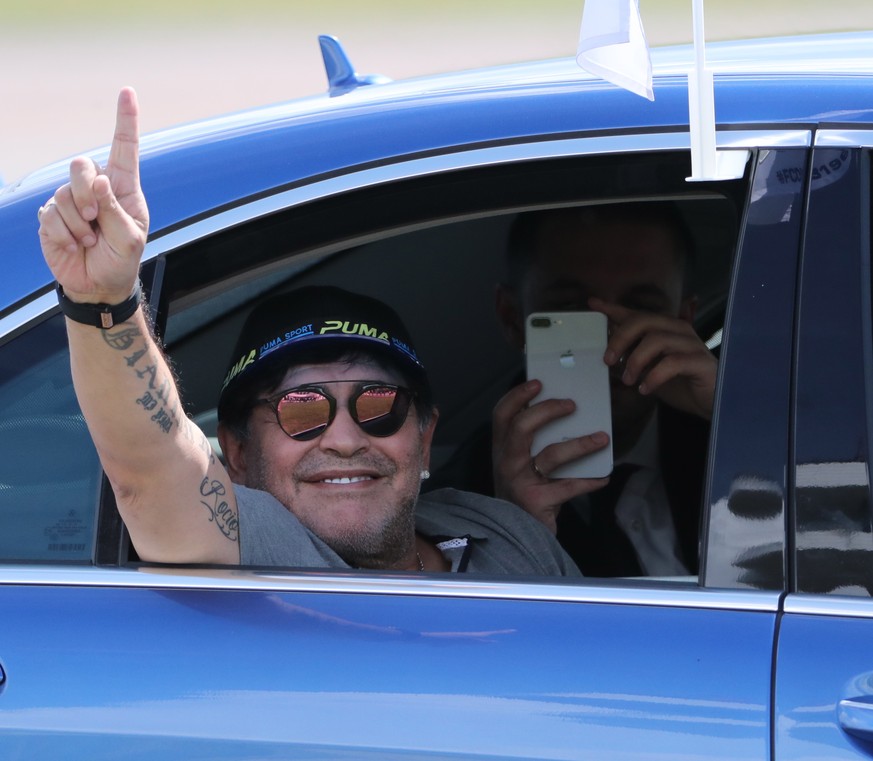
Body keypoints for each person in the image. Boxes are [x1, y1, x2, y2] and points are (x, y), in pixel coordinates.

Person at [36, 87, 578, 577]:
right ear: (239, 455)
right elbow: (151, 469)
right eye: (302, 409)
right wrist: (103, 302)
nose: (345, 439)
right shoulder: (262, 554)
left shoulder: (504, 533)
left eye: (380, 405)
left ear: (426, 437)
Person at [431, 203, 717, 577]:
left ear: (683, 321)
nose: (609, 338)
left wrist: (737, 414)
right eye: (572, 310)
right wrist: (514, 533)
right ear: (513, 319)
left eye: (640, 308)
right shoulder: (461, 504)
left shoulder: (738, 437)